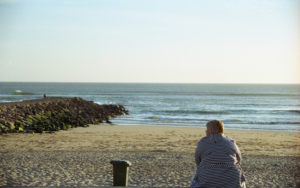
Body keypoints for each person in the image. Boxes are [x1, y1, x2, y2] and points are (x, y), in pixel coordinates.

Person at [191, 120, 246, 188]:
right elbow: (238, 158)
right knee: (240, 179)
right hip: (232, 175)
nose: (205, 131)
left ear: (210, 130)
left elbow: (197, 159)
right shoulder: (231, 141)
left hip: (207, 175)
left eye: (207, 129)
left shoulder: (202, 142)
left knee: (196, 178)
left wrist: (205, 166)